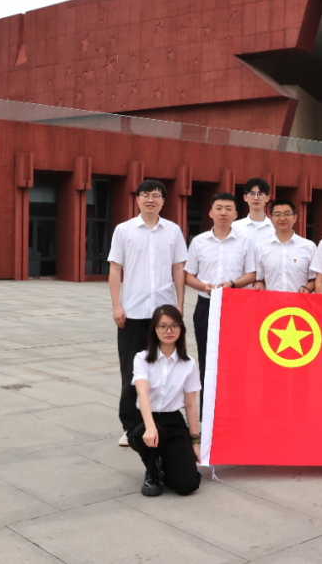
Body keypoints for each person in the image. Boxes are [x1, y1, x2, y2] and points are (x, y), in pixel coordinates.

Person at [107, 179, 188, 446]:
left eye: (156, 195)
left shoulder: (173, 231)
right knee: (131, 370)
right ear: (137, 199)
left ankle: (162, 422)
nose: (150, 199)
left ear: (163, 200)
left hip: (164, 314)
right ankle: (131, 426)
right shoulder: (124, 230)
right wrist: (117, 305)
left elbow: (178, 269)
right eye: (145, 195)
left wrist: (180, 303)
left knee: (165, 369)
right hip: (132, 312)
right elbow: (115, 269)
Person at [127, 305, 202, 497]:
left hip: (173, 420)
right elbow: (142, 393)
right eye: (163, 326)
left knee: (187, 485)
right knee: (147, 434)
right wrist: (150, 426)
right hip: (145, 419)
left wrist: (194, 442)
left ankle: (163, 464)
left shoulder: (189, 364)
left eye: (174, 325)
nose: (169, 331)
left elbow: (191, 405)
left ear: (181, 329)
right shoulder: (142, 358)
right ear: (154, 329)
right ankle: (151, 472)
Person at [184, 192, 256, 390]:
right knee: (206, 356)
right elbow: (188, 276)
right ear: (211, 213)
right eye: (219, 208)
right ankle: (206, 406)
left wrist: (232, 284)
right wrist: (204, 287)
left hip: (236, 307)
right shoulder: (199, 241)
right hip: (206, 306)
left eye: (228, 209)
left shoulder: (245, 242)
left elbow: (251, 274)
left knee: (236, 357)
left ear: (236, 214)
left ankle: (233, 403)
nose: (223, 212)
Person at [252, 198, 316, 293]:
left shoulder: (309, 247)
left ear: (295, 218)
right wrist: (258, 286)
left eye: (287, 214)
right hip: (272, 301)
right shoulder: (261, 248)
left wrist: (307, 288)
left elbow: (315, 279)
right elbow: (259, 280)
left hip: (299, 301)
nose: (282, 218)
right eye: (277, 214)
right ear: (271, 218)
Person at [232, 177, 276, 247]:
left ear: (267, 198)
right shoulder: (235, 227)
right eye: (252, 194)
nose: (256, 198)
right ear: (245, 197)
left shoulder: (275, 228)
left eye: (260, 194)